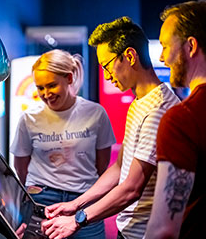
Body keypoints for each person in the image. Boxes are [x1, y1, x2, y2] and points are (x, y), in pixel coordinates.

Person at [41, 17, 180, 239]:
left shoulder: (159, 109)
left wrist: (78, 220)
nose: (106, 75)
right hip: (129, 229)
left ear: (130, 56)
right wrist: (76, 204)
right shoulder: (140, 103)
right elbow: (118, 168)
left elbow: (132, 188)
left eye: (107, 65)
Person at [10, 49, 116, 239]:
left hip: (85, 199)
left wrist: (85, 194)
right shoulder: (29, 118)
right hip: (43, 201)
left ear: (68, 78)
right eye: (40, 87)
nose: (46, 94)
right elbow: (21, 167)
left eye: (51, 85)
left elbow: (103, 166)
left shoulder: (96, 113)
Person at [145, 0, 206, 238]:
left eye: (165, 46)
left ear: (191, 46)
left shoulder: (182, 119)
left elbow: (163, 229)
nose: (162, 58)